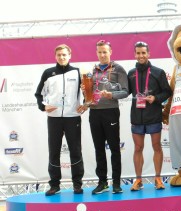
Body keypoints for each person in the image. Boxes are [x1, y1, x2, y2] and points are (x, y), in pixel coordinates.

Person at [35, 44, 86, 196]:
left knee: (75, 150)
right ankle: (54, 185)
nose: (62, 57)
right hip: (54, 119)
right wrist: (43, 107)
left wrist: (85, 105)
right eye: (59, 55)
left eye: (64, 55)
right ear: (55, 56)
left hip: (72, 117)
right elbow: (39, 94)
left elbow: (88, 92)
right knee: (54, 151)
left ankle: (77, 184)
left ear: (70, 55)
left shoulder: (78, 72)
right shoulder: (48, 73)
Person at [83, 40, 128, 195]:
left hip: (110, 112)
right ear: (97, 53)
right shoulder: (93, 71)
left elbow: (126, 91)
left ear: (110, 52)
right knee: (99, 149)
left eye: (105, 52)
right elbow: (90, 94)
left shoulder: (118, 69)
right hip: (94, 112)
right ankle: (102, 183)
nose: (102, 55)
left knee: (115, 149)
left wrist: (111, 95)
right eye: (100, 52)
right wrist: (85, 92)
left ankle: (116, 183)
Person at [127, 41, 172, 191]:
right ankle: (138, 180)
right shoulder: (131, 73)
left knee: (156, 146)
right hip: (137, 116)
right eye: (138, 53)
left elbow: (167, 92)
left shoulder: (158, 72)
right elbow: (125, 91)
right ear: (135, 54)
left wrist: (156, 98)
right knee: (138, 147)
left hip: (153, 115)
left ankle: (158, 178)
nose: (141, 56)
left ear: (148, 54)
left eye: (143, 53)